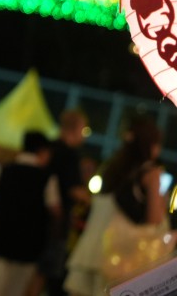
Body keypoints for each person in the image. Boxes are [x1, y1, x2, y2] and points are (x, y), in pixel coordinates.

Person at [64, 115, 167, 296]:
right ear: (150, 144)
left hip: (91, 248)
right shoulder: (151, 173)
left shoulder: (111, 166)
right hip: (120, 255)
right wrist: (162, 202)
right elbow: (154, 220)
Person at [0, 131, 59, 296]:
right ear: (42, 151)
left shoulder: (6, 170)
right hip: (29, 247)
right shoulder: (47, 178)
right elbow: (56, 211)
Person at [28, 109, 88, 296]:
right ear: (76, 128)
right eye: (83, 130)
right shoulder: (69, 155)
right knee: (42, 273)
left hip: (35, 216)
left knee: (31, 269)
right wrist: (91, 200)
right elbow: (74, 190)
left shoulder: (48, 149)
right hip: (56, 222)